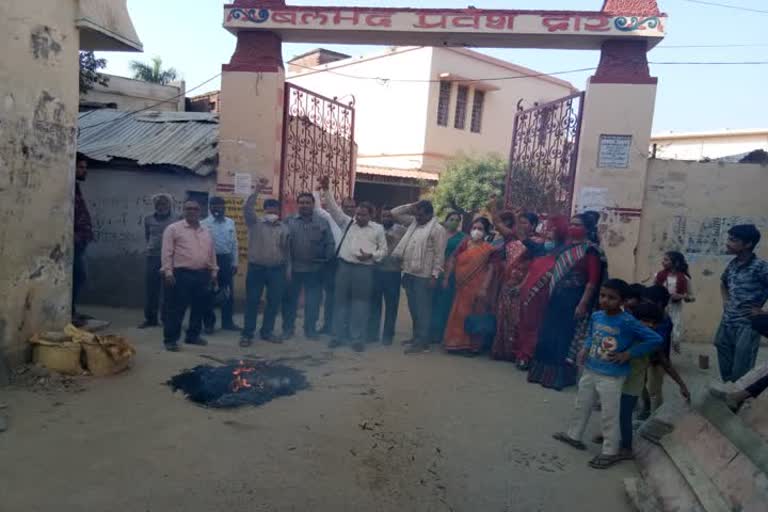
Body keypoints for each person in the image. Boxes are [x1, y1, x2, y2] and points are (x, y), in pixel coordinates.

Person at [553, 279, 662, 469]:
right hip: (591, 368)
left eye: (612, 298)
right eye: (603, 295)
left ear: (623, 301)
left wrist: (628, 354)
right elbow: (591, 335)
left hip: (612, 375)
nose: (605, 300)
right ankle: (574, 435)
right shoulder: (597, 316)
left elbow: (655, 339)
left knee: (610, 414)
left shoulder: (628, 321)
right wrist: (585, 348)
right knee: (582, 404)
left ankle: (610, 451)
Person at [528, 213, 607, 390]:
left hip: (573, 299)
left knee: (563, 336)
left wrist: (583, 304)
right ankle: (541, 374)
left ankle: (560, 377)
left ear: (587, 229)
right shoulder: (565, 248)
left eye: (577, 225)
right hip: (557, 297)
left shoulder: (590, 251)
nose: (572, 227)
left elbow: (592, 281)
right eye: (571, 224)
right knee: (548, 333)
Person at [319, 179, 386, 351]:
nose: (359, 217)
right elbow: (333, 209)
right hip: (344, 267)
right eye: (358, 214)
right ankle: (337, 337)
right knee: (339, 302)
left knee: (360, 304)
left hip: (364, 270)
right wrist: (326, 190)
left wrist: (371, 255)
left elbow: (384, 251)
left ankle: (357, 339)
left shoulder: (378, 229)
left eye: (363, 215)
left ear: (371, 215)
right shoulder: (347, 222)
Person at [617, 301, 690, 460]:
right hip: (617, 380)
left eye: (653, 322)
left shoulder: (653, 342)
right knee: (615, 413)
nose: (649, 325)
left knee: (625, 414)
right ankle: (614, 439)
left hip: (633, 384)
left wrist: (682, 385)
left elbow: (666, 364)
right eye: (645, 320)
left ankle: (625, 447)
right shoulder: (626, 335)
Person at [513, 215, 570, 372]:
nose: (548, 232)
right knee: (525, 324)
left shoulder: (565, 253)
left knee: (539, 327)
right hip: (529, 295)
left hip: (547, 297)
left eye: (552, 230)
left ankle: (531, 356)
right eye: (548, 229)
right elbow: (531, 270)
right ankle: (522, 354)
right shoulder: (541, 248)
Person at [391, 200, 448, 354]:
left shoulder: (438, 230)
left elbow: (439, 256)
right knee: (413, 309)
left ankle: (422, 342)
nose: (418, 217)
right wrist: (411, 206)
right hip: (409, 272)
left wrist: (434, 276)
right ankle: (416, 337)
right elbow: (395, 213)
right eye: (416, 214)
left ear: (430, 214)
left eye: (421, 215)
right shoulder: (413, 223)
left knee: (423, 310)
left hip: (424, 276)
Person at [161, 200, 218, 351]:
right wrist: (168, 272)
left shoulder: (206, 230)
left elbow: (211, 253)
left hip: (202, 274)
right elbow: (166, 253)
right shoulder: (173, 229)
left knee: (199, 307)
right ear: (183, 210)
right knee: (176, 309)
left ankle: (192, 336)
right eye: (188, 209)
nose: (192, 211)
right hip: (181, 275)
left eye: (195, 209)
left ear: (200, 212)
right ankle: (170, 340)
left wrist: (213, 272)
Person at [240, 179, 292, 347]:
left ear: (278, 211)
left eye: (275, 208)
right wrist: (257, 190)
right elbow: (247, 208)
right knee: (253, 301)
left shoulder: (284, 228)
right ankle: (247, 334)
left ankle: (267, 332)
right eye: (269, 208)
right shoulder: (255, 223)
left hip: (277, 270)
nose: (272, 211)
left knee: (273, 302)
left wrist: (288, 270)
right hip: (257, 269)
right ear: (264, 210)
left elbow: (287, 251)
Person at [715, 224, 768, 383]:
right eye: (729, 238)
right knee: (722, 355)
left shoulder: (761, 267)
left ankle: (739, 401)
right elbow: (723, 283)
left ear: (748, 244)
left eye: (733, 240)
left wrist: (764, 313)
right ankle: (729, 393)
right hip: (727, 322)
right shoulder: (732, 264)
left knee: (741, 370)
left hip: (748, 324)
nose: (728, 243)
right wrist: (726, 301)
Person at [281, 192, 335, 340]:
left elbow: (330, 243)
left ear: (313, 204)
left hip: (315, 270)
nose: (304, 205)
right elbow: (282, 244)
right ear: (298, 204)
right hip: (294, 269)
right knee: (290, 301)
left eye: (307, 202)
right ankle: (288, 329)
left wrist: (326, 260)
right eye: (302, 202)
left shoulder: (322, 222)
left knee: (314, 302)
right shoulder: (289, 221)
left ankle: (310, 329)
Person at [490, 207, 538, 366]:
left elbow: (535, 267)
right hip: (508, 282)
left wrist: (523, 284)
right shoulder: (511, 238)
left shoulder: (537, 243)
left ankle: (517, 352)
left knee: (518, 320)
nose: (520, 225)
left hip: (524, 285)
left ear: (533, 225)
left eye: (524, 222)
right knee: (503, 316)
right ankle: (501, 350)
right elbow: (497, 222)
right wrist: (493, 205)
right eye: (519, 222)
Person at [442, 217, 496, 354]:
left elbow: (491, 269)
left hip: (478, 288)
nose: (476, 231)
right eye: (474, 228)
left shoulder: (489, 249)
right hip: (461, 287)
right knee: (459, 314)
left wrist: (484, 287)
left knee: (474, 315)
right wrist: (447, 277)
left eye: (480, 229)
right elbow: (453, 259)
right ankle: (455, 343)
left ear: (486, 231)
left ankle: (471, 346)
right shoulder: (464, 244)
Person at [368, 205, 407, 345]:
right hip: (377, 271)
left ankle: (388, 337)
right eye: (384, 216)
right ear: (380, 217)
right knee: (374, 304)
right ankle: (372, 334)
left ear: (394, 217)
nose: (386, 218)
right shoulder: (375, 229)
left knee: (391, 306)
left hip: (393, 273)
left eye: (389, 216)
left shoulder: (402, 230)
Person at [201, 196, 240, 333]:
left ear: (224, 207)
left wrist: (235, 262)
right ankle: (209, 324)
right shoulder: (203, 224)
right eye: (214, 205)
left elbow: (234, 243)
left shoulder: (230, 222)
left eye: (220, 205)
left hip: (225, 260)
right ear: (210, 207)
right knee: (208, 292)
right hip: (209, 261)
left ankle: (227, 322)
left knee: (227, 292)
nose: (217, 208)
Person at [318, 196, 355, 335]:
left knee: (347, 298)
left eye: (352, 206)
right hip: (333, 264)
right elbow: (321, 208)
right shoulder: (332, 219)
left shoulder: (359, 222)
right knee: (330, 297)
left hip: (350, 265)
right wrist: (319, 191)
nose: (349, 208)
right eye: (347, 206)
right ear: (342, 207)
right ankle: (327, 325)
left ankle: (345, 328)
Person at [429, 211, 466, 344]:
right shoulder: (438, 234)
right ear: (446, 220)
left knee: (444, 305)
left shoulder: (463, 238)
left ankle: (440, 334)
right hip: (434, 273)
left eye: (457, 220)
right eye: (451, 219)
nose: (454, 222)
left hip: (449, 276)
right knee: (430, 303)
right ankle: (428, 331)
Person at [139, 193, 175, 329]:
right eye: (158, 204)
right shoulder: (148, 219)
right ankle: (150, 319)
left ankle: (166, 319)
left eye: (164, 204)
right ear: (155, 206)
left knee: (168, 289)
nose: (161, 206)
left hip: (170, 258)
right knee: (151, 289)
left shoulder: (177, 219)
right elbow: (147, 236)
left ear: (169, 205)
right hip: (152, 257)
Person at [654, 251, 694, 353]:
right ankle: (661, 359)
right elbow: (652, 291)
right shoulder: (659, 276)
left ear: (676, 263)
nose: (663, 262)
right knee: (660, 335)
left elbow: (691, 297)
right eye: (663, 259)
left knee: (674, 336)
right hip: (660, 309)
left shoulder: (684, 279)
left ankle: (667, 357)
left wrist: (681, 296)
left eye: (666, 260)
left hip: (675, 310)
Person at [73, 155, 94, 326]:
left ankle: (72, 311)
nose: (84, 170)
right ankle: (70, 313)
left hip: (80, 242)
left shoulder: (76, 187)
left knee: (79, 276)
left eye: (84, 167)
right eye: (80, 167)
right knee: (77, 276)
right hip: (74, 242)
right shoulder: (69, 188)